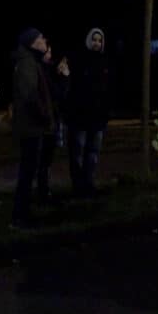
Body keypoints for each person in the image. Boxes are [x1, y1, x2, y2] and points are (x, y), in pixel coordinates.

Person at [9, 27, 58, 228]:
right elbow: (30, 95)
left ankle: (23, 214)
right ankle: (20, 216)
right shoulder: (28, 63)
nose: (44, 39)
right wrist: (45, 115)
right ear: (32, 43)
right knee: (27, 173)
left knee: (28, 172)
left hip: (31, 126)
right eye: (40, 38)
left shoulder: (30, 62)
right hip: (31, 127)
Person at [67, 27, 109, 197]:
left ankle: (89, 184)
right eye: (94, 39)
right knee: (77, 153)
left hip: (97, 117)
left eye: (100, 40)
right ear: (88, 40)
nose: (97, 43)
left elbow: (108, 89)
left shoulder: (105, 61)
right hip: (80, 116)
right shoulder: (79, 60)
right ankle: (78, 187)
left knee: (93, 153)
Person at [37, 44, 70, 205]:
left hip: (49, 121)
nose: (50, 55)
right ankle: (43, 193)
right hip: (46, 122)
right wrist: (64, 77)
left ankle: (43, 190)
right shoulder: (43, 71)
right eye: (47, 52)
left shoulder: (46, 70)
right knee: (44, 160)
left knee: (45, 160)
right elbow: (58, 95)